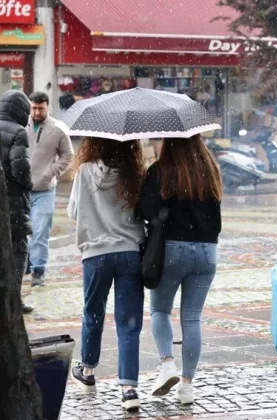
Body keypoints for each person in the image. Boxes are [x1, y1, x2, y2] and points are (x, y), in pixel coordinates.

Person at [140, 135, 222, 405]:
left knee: (160, 311)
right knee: (192, 319)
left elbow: (145, 210)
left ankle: (167, 366)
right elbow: (216, 218)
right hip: (207, 252)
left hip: (173, 249)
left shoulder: (161, 170)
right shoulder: (210, 168)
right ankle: (187, 386)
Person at [67, 137, 146, 411]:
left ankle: (87, 371)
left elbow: (74, 211)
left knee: (94, 313)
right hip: (129, 252)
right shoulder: (135, 174)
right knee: (129, 322)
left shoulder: (84, 171)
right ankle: (129, 389)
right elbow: (144, 213)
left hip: (95, 255)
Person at [27, 91, 74, 287]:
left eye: (41, 108)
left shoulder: (58, 129)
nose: (37, 112)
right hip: (22, 189)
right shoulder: (21, 125)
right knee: (22, 231)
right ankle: (26, 262)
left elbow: (68, 155)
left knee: (40, 231)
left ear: (47, 107)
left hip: (45, 190)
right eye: (34, 108)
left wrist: (51, 172)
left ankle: (39, 270)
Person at [0, 91, 34, 314]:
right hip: (12, 200)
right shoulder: (18, 131)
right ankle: (13, 301)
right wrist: (27, 184)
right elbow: (19, 166)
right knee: (18, 249)